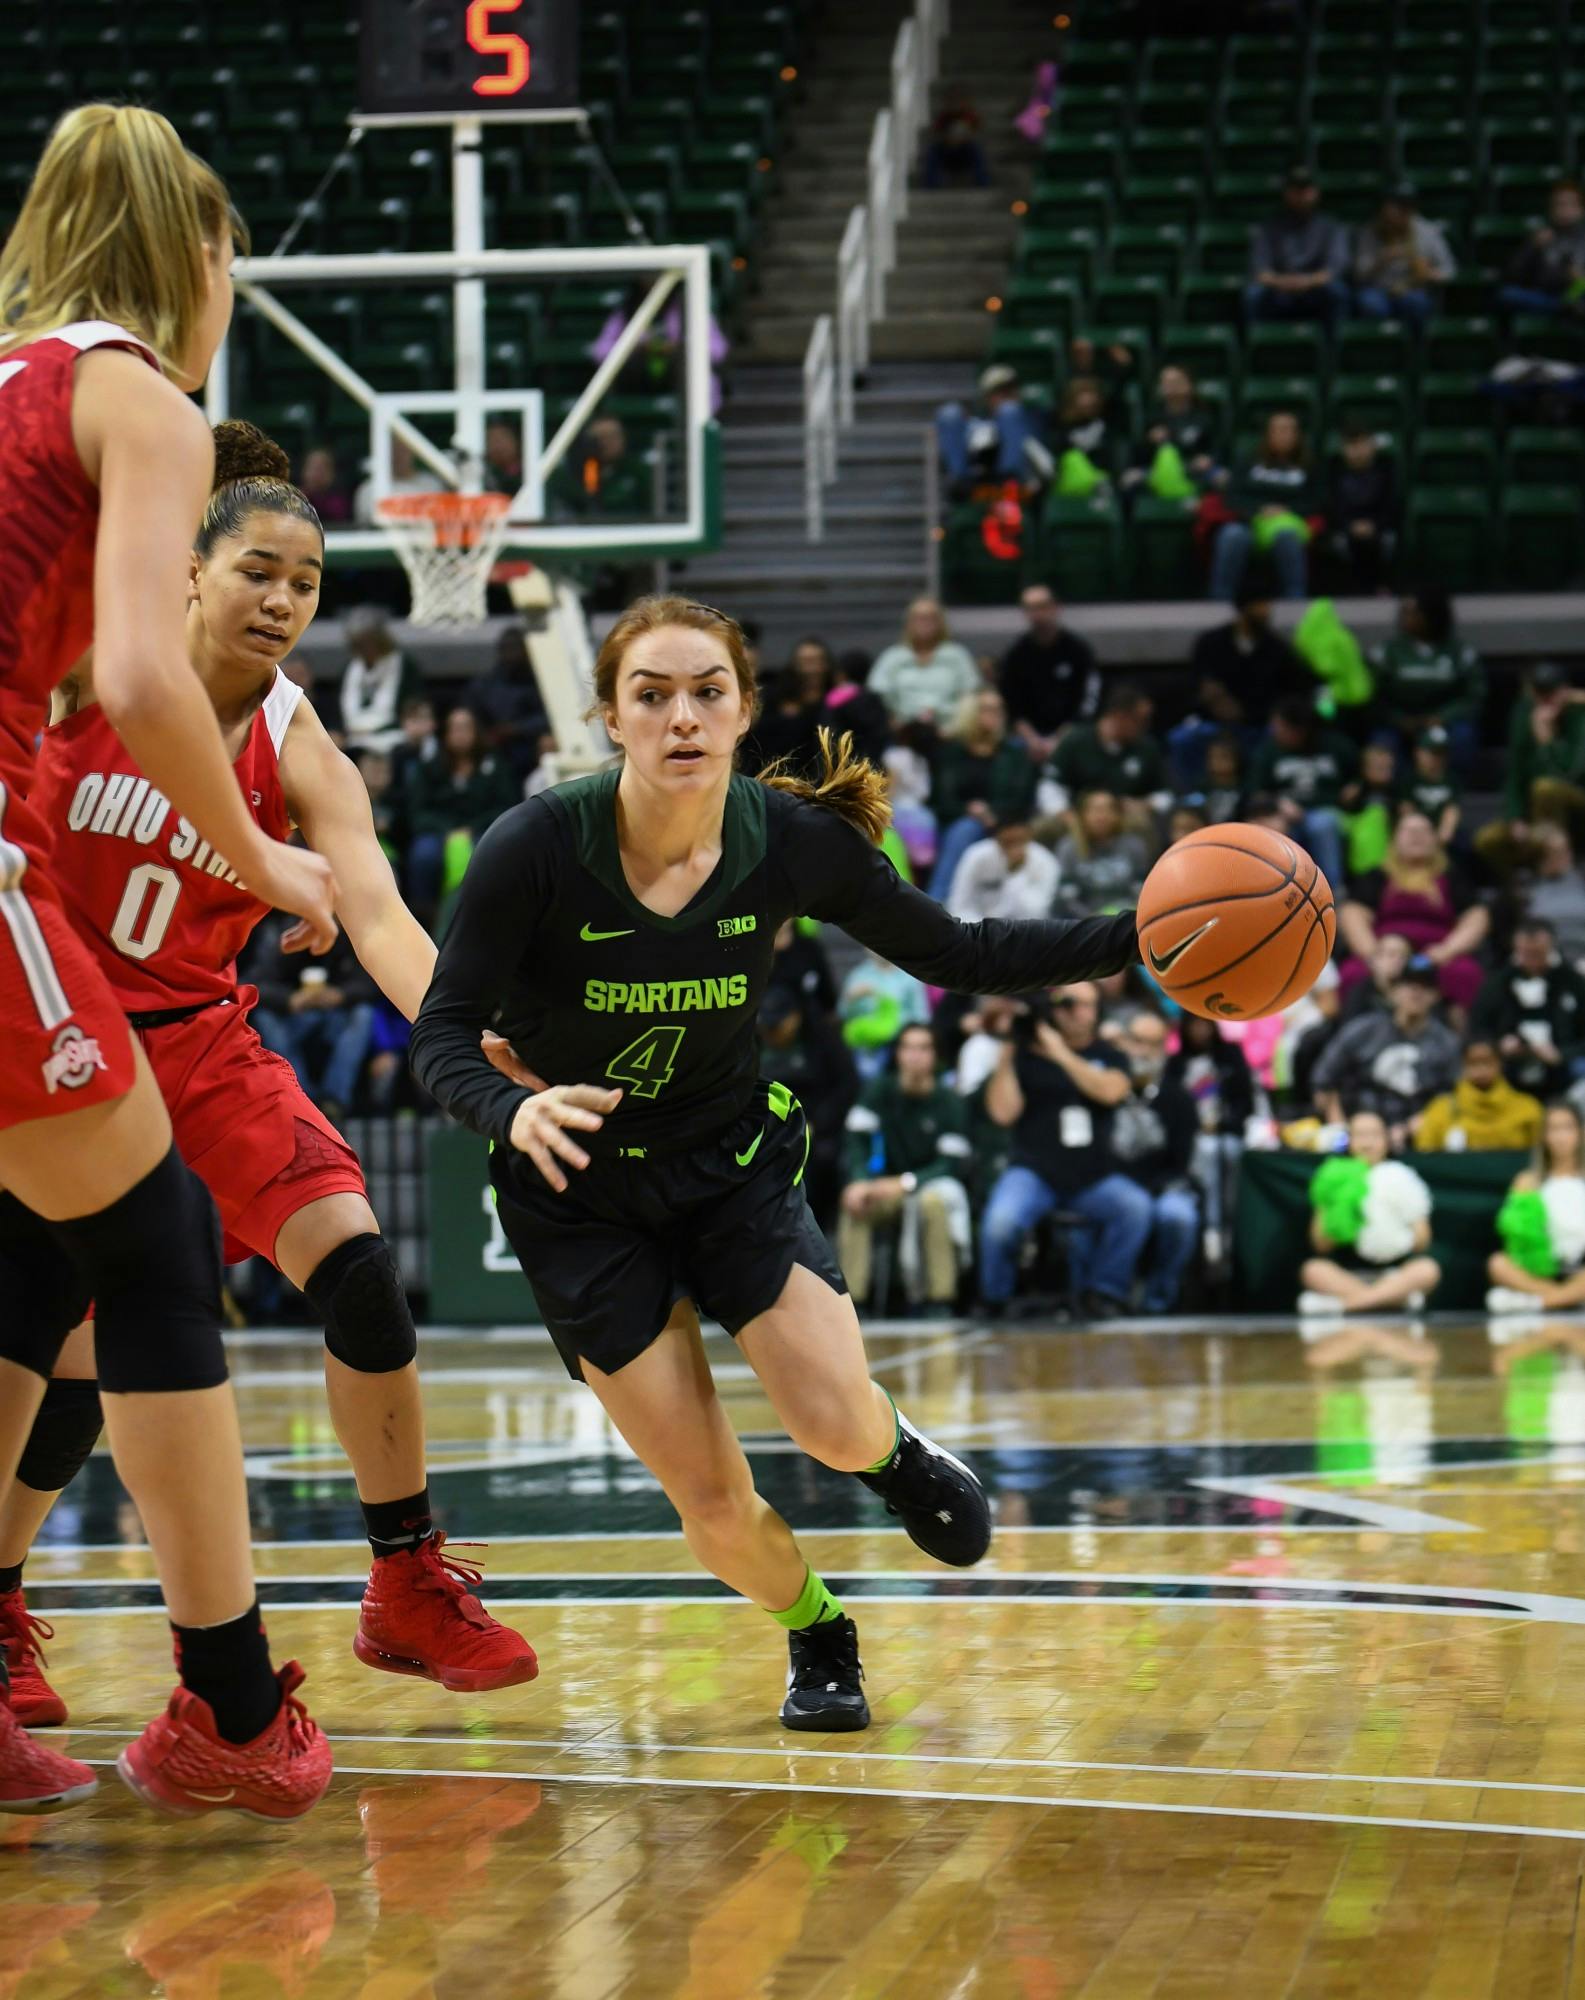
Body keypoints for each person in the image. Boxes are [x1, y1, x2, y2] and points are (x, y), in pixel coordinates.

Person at [406, 594, 1141, 1731]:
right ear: (610, 718)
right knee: (707, 1502)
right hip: (580, 1196)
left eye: (707, 691)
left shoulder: (787, 840)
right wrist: (509, 1110)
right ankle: (817, 1624)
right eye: (651, 695)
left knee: (831, 1423)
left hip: (725, 1159)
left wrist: (1135, 934)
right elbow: (441, 1031)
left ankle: (891, 1454)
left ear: (745, 711)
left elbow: (962, 950)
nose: (681, 716)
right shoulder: (536, 846)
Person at [0, 424, 536, 1745]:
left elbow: (379, 914)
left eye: (303, 581)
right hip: (62, 1038)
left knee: (358, 1266)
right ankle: (3, 1604)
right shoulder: (82, 667)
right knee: (63, 1353)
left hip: (199, 1036)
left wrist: (471, 1034)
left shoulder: (298, 737)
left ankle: (406, 1575)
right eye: (257, 570)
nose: (283, 600)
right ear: (182, 573)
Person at [0, 104, 338, 1818]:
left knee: (28, 1244)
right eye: (231, 261)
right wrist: (258, 850)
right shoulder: (140, 395)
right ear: (190, 253)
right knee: (151, 1236)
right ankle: (226, 1709)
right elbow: (145, 673)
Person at [978, 983, 1149, 1318]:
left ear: (1098, 1009)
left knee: (1136, 1208)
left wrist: (1060, 1054)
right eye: (1066, 1003)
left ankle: (1104, 1292)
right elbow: (1002, 1113)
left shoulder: (1109, 1054)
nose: (1074, 1011)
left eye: (1084, 1004)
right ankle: (995, 1299)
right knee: (1001, 1221)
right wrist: (1008, 1056)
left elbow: (1111, 1092)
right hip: (1034, 1171)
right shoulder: (1026, 1053)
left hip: (1092, 1175)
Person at [838, 1024, 973, 1315]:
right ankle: (852, 1303)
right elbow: (856, 1139)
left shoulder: (948, 1101)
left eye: (924, 1048)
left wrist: (908, 1182)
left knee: (933, 1204)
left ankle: (939, 1300)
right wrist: (860, 1179)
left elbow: (950, 1164)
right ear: (898, 1054)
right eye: (908, 1048)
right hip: (884, 1186)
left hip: (927, 1185)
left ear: (935, 1056)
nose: (915, 1056)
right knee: (857, 1203)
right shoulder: (879, 1090)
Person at [1338, 809, 1489, 1013]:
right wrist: (1375, 954)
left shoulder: (1452, 876)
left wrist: (1448, 950)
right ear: (1395, 839)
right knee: (1352, 973)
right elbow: (1352, 914)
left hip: (1438, 954)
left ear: (1435, 839)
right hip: (1385, 951)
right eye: (1409, 831)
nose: (1416, 836)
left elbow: (1476, 916)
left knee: (1466, 973)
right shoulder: (1377, 876)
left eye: (1423, 831)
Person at [1300, 1109, 1441, 1316]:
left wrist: (1394, 1239)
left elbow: (1423, 1239)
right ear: (1349, 1141)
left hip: (1394, 1274)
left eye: (1374, 1135)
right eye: (1360, 1135)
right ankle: (1391, 1302)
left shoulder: (1402, 1177)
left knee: (1428, 1269)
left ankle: (1349, 1305)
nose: (1367, 1143)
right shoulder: (1331, 1177)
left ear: (1386, 1139)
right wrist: (1341, 1218)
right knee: (1312, 1270)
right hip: (1348, 1273)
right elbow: (1320, 1244)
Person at [1112, 1009, 1202, 1313]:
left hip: (1164, 1186)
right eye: (1137, 1041)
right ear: (1122, 1042)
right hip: (1112, 1186)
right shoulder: (1103, 1088)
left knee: (1178, 1216)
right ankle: (1107, 1296)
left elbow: (1181, 1161)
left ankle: (1158, 1298)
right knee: (1115, 1207)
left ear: (1165, 1048)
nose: (1144, 1051)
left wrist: (1148, 1193)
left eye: (1154, 1043)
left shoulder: (1178, 1097)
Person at [1311, 960, 1461, 1137]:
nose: (1416, 992)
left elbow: (1452, 1097)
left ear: (1436, 995)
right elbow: (1323, 1081)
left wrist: (1416, 1126)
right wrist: (1341, 1128)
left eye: (1425, 986)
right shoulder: (1362, 1031)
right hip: (1358, 1129)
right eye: (1409, 984)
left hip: (1420, 1135)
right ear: (1394, 991)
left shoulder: (1447, 1042)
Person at [403, 705, 519, 922]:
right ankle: (425, 920)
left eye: (466, 728)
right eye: (455, 728)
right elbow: (418, 812)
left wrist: (472, 828)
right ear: (445, 733)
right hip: (439, 832)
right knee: (423, 856)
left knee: (488, 855)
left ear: (476, 732)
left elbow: (507, 807)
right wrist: (447, 830)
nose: (460, 734)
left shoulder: (495, 765)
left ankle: (484, 919)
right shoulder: (429, 766)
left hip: (482, 830)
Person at [1476, 662, 1585, 879]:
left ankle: (1561, 866)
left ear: (1565, 690)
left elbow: (1572, 773)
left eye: (1552, 692)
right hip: (1535, 816)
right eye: (1540, 693)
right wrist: (1515, 817)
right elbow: (1515, 773)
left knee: (1545, 788)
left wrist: (1546, 741)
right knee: (1487, 839)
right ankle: (1524, 885)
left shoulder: (1579, 713)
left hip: (1577, 807)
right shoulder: (1524, 713)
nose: (1546, 700)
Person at [927, 689, 1038, 897]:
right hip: (956, 821)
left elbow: (1023, 797)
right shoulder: (951, 753)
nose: (994, 714)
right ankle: (937, 902)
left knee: (966, 829)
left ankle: (935, 902)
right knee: (965, 829)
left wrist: (991, 813)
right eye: (987, 709)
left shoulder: (1014, 754)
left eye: (998, 709)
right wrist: (969, 810)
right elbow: (940, 800)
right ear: (970, 713)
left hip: (1005, 822)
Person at [1246, 696, 1358, 889]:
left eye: (1281, 727)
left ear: (1298, 730)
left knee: (1322, 824)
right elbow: (1255, 793)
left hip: (1326, 811)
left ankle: (1332, 890)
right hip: (1284, 813)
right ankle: (1276, 890)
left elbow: (1358, 773)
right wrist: (1279, 803)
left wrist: (1353, 788)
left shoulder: (1333, 745)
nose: (1276, 732)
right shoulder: (1269, 751)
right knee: (1273, 828)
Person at [1367, 585, 1485, 766]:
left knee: (1463, 736)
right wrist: (1399, 720)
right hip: (1399, 723)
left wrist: (1443, 717)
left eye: (1413, 613)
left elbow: (1474, 696)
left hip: (1443, 722)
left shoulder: (1458, 652)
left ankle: (1451, 787)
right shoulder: (1388, 652)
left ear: (1432, 616)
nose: (1406, 618)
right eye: (1404, 612)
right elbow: (1374, 697)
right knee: (1383, 742)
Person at [1469, 916, 1585, 1100]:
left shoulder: (1573, 982)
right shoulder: (1497, 982)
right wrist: (1499, 1045)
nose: (1531, 960)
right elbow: (1478, 1028)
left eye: (1538, 953)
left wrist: (1562, 1053)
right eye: (1525, 953)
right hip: (1508, 1069)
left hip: (1563, 1068)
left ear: (1551, 948)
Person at [1211, 411, 1321, 603]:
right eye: (1278, 430)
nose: (1284, 435)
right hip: (1250, 521)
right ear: (1268, 434)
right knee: (1231, 535)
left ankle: (1295, 600)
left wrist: (1286, 510)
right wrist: (1260, 510)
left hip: (1289, 522)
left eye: (1289, 430)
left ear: (1297, 435)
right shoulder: (1248, 460)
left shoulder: (1309, 465)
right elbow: (1232, 497)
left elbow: (1318, 500)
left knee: (1287, 538)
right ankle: (1220, 601)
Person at [1488, 1102, 1585, 1314]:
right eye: (1554, 1129)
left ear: (1580, 1132)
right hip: (1539, 1271)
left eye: (1567, 1128)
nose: (1561, 1137)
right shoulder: (1528, 1180)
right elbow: (1514, 1234)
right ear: (1544, 1136)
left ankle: (1539, 1302)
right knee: (1498, 1264)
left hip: (1579, 1268)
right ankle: (1565, 1299)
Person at [996, 586, 1101, 762]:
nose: (1037, 614)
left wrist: (1059, 740)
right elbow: (1009, 702)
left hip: (1072, 732)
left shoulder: (1078, 651)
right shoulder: (1016, 654)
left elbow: (1088, 701)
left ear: (1055, 608)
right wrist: (1032, 740)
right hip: (1026, 738)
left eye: (1042, 607)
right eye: (1030, 608)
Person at [1245, 166, 1350, 331]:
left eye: (1306, 189)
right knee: (1252, 295)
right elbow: (1259, 270)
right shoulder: (1269, 228)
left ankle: (1334, 350)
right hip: (1278, 291)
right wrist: (1283, 282)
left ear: (1316, 192)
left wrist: (1305, 281)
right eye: (1296, 189)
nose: (1301, 195)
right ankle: (1256, 347)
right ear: (1286, 193)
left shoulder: (1331, 228)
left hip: (1315, 290)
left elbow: (1335, 269)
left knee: (1338, 292)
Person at [1050, 684, 1170, 823]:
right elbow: (1051, 784)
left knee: (1140, 823)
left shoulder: (1147, 748)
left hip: (1123, 818)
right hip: (1078, 815)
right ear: (1120, 716)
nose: (1147, 726)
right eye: (1141, 720)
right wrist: (1063, 812)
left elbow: (1166, 795)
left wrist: (1145, 804)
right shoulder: (1076, 740)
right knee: (1046, 826)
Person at [1415, 1038, 1544, 1154]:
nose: (1481, 1069)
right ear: (1463, 1066)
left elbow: (1540, 1157)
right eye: (1473, 1063)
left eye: (1487, 1062)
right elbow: (1426, 1154)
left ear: (1500, 1064)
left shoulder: (1527, 1108)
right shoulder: (1441, 1109)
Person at [867, 599, 981, 729]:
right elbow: (876, 695)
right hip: (903, 733)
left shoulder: (958, 656)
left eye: (931, 618)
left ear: (941, 623)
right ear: (908, 623)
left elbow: (971, 694)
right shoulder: (892, 657)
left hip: (951, 733)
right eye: (919, 618)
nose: (925, 623)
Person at [936, 364, 1045, 498]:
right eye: (999, 392)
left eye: (1009, 390)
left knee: (1009, 412)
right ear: (987, 397)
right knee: (949, 413)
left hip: (1021, 480)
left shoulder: (1031, 417)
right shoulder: (978, 424)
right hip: (976, 478)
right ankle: (959, 478)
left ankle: (1009, 477)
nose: (1005, 397)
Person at [1352, 187, 1454, 329]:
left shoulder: (1427, 231)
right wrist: (1381, 260)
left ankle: (1417, 348)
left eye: (1401, 209)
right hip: (1378, 289)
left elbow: (1449, 270)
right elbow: (1358, 275)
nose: (1394, 215)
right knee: (1370, 304)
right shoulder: (1369, 231)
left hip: (1412, 290)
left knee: (1417, 303)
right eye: (1390, 210)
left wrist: (1429, 273)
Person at [462, 624, 548, 782]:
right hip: (491, 749)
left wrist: (515, 729)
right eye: (506, 648)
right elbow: (470, 712)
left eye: (515, 648)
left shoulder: (540, 683)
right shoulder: (485, 683)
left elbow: (549, 718)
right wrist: (484, 734)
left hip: (528, 752)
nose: (510, 654)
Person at [1123, 363, 1221, 499]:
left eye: (1175, 381)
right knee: (1128, 479)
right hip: (1158, 470)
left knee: (1222, 478)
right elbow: (1138, 455)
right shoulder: (1152, 417)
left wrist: (1208, 458)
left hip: (1193, 467)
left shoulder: (1203, 416)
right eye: (1165, 382)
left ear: (1189, 385)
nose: (1170, 386)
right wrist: (1149, 442)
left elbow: (1216, 446)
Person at [338, 605, 424, 757]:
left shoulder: (405, 666)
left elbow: (414, 705)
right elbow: (337, 712)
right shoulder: (349, 668)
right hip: (353, 739)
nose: (365, 648)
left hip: (394, 737)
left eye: (368, 642)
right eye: (360, 643)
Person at [1498, 177, 1585, 322]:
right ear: (1551, 210)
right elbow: (1512, 275)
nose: (1565, 210)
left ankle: (1571, 308)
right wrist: (1532, 248)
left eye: (1570, 205)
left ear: (1581, 210)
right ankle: (1567, 310)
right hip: (1547, 297)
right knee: (1508, 294)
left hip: (1577, 293)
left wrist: (1578, 278)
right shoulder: (1541, 237)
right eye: (1559, 205)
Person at [1053, 790, 1151, 918]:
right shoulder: (1069, 848)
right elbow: (1066, 898)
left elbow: (1142, 891)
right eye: (1095, 810)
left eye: (1108, 809)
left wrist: (1129, 917)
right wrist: (1093, 920)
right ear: (1082, 815)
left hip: (1128, 919)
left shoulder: (1134, 846)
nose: (1102, 816)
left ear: (1118, 815)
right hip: (1084, 922)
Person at [1326, 425, 1399, 595]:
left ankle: (1378, 589)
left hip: (1378, 528)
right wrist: (1349, 526)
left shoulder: (1386, 473)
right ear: (1344, 449)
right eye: (1352, 445)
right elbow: (1331, 508)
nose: (1358, 451)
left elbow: (1392, 507)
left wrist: (1374, 525)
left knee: (1376, 541)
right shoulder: (1333, 474)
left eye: (1362, 445)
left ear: (1372, 447)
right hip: (1345, 529)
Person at [947, 819, 1060, 923]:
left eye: (1020, 841)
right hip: (978, 931)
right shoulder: (975, 856)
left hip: (1024, 933)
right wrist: (983, 931)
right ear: (997, 837)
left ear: (1029, 836)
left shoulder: (1045, 861)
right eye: (1008, 842)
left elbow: (1037, 912)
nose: (1014, 848)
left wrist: (1016, 872)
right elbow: (959, 905)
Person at [1524, 825, 1585, 965]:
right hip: (1545, 963)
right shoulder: (1526, 887)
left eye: (1567, 850)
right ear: (1540, 856)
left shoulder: (1581, 878)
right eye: (1557, 852)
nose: (1566, 856)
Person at [923, 87, 989, 188]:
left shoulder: (970, 116)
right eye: (952, 100)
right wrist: (947, 139)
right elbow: (935, 134)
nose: (955, 103)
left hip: (965, 152)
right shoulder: (943, 117)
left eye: (958, 100)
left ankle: (982, 182)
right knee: (933, 151)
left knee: (976, 150)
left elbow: (978, 132)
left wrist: (965, 137)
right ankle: (931, 184)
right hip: (947, 152)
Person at [296, 443, 352, 524]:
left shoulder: (339, 502)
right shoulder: (294, 498)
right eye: (313, 468)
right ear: (304, 471)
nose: (317, 473)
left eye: (322, 468)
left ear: (332, 473)